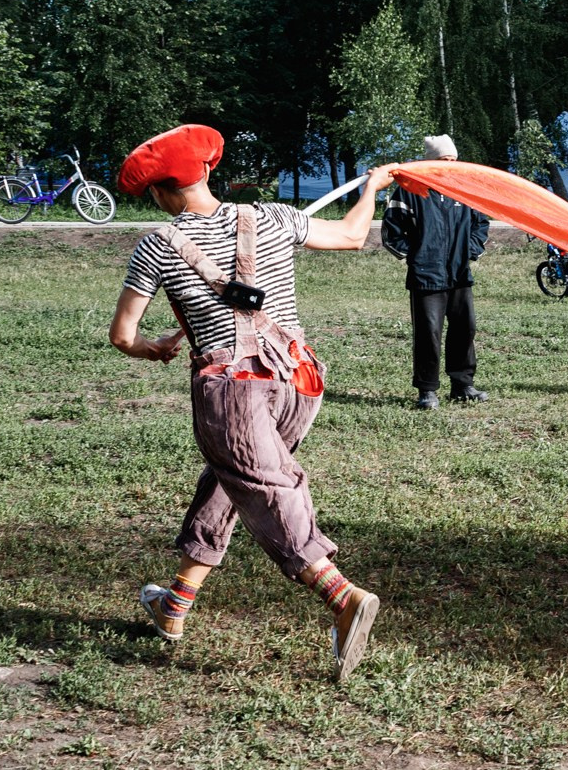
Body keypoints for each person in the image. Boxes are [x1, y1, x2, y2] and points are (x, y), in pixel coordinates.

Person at [107, 124, 393, 682]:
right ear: (208, 172)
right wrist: (373, 187)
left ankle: (342, 597)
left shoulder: (159, 244)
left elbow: (122, 334)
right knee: (230, 482)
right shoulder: (272, 217)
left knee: (264, 487)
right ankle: (174, 606)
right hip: (296, 383)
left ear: (162, 193)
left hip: (232, 393)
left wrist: (157, 349)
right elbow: (354, 236)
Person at [380, 133, 491, 410]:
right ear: (430, 162)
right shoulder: (409, 190)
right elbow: (391, 232)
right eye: (444, 159)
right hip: (426, 277)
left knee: (465, 329)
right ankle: (427, 391)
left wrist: (471, 251)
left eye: (453, 159)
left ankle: (462, 384)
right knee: (429, 333)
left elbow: (481, 225)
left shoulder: (465, 191)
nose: (450, 164)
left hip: (459, 274)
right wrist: (415, 257)